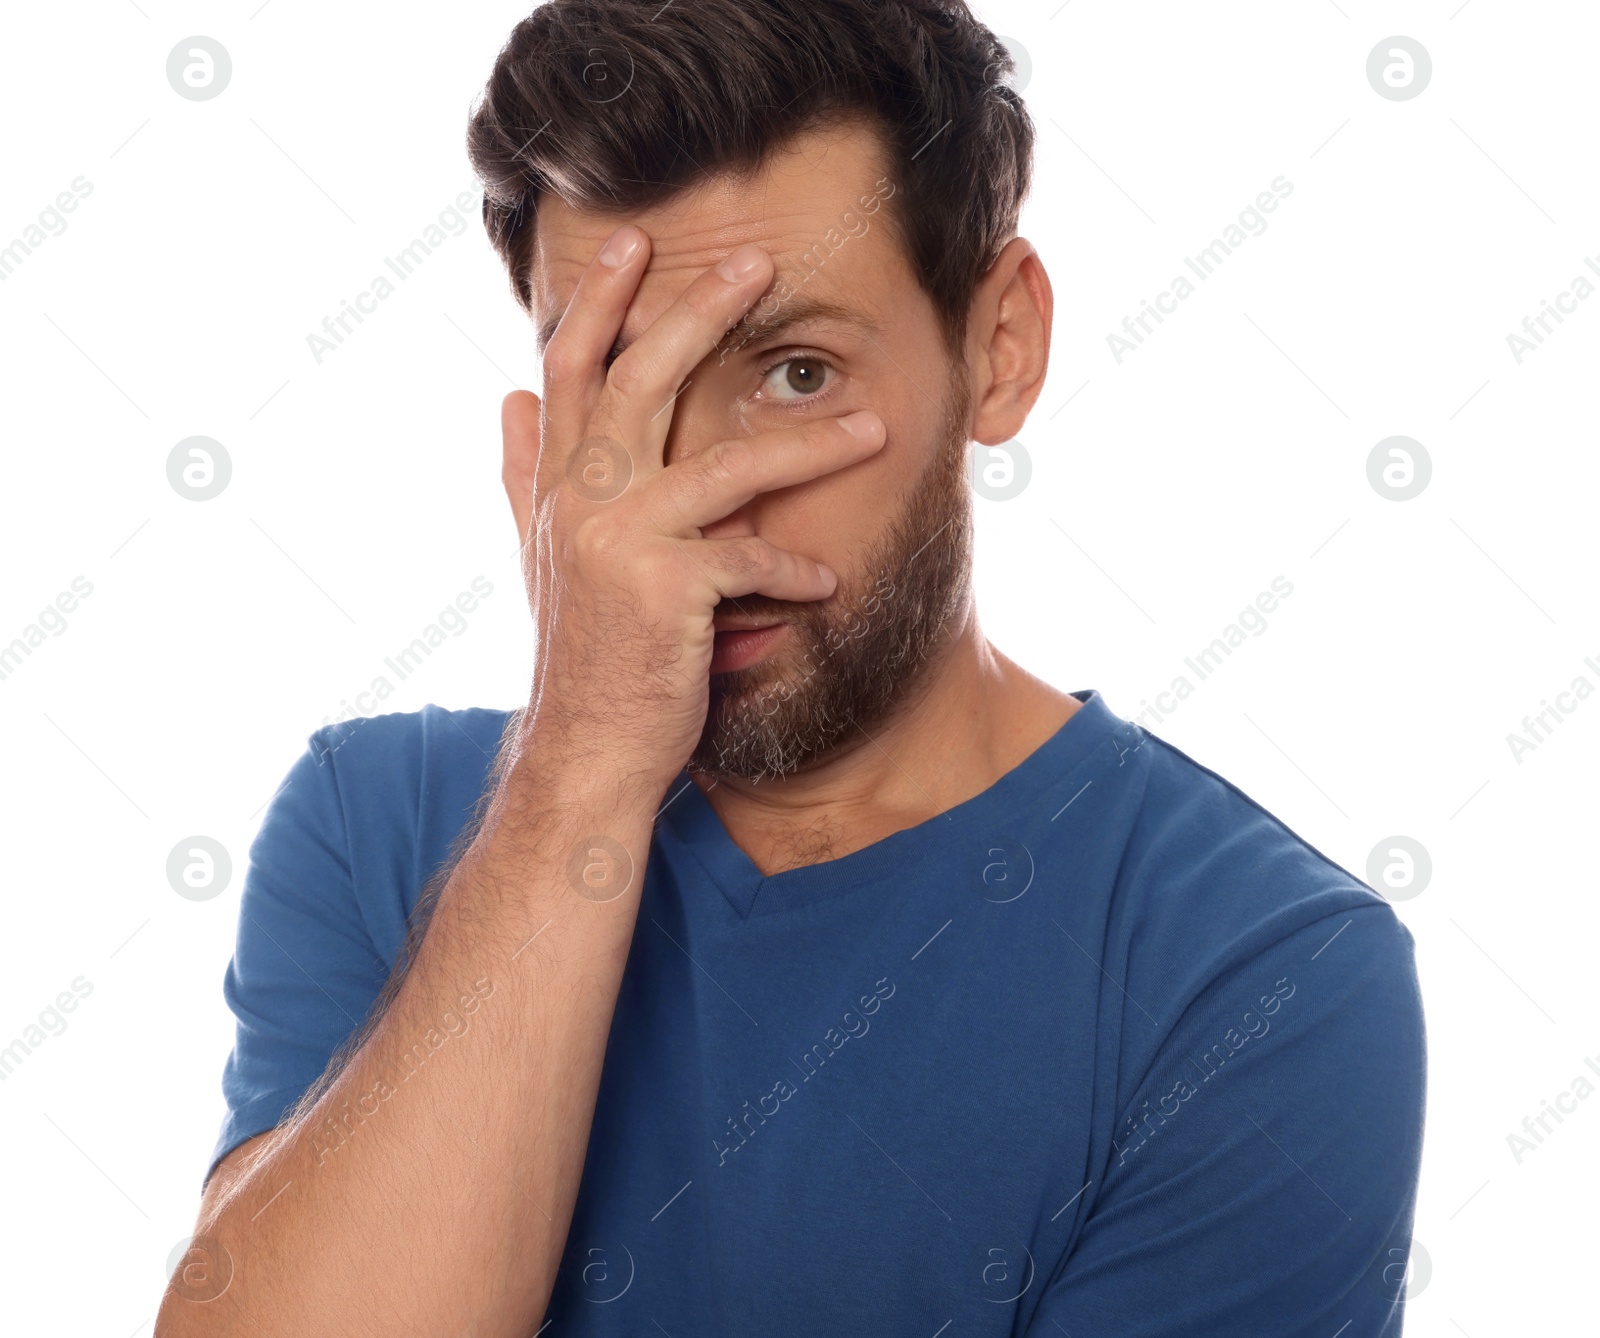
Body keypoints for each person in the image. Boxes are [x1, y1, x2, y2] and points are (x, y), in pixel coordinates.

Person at [158, 1, 1426, 1333]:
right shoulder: (379, 822)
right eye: (623, 384)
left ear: (999, 348)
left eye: (797, 372)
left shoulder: (1257, 973)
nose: (695, 511)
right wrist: (584, 760)